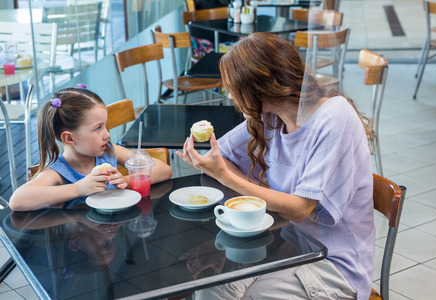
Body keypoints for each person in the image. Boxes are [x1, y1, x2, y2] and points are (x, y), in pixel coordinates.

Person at [176, 33, 374, 300]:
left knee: (252, 296)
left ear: (260, 88)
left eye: (234, 87)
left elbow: (301, 208)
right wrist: (220, 170)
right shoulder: (270, 118)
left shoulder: (334, 117)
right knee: (211, 288)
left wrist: (225, 176)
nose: (230, 95)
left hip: (335, 264)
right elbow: (221, 154)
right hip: (288, 245)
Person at [9, 87, 172, 211]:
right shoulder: (58, 172)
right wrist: (78, 188)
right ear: (69, 138)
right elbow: (17, 200)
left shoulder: (109, 151)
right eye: (98, 128)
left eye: (105, 126)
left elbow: (164, 170)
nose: (107, 134)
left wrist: (124, 182)